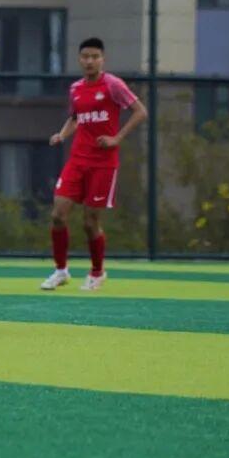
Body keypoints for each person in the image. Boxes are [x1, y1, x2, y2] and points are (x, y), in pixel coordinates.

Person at [39, 37, 147, 291]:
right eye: (85, 57)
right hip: (77, 160)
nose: (90, 61)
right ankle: (61, 271)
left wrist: (116, 138)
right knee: (58, 215)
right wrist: (62, 135)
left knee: (90, 222)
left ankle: (97, 272)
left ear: (102, 59)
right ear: (79, 59)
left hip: (103, 164)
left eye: (95, 57)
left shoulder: (113, 85)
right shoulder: (76, 88)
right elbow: (75, 118)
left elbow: (141, 111)